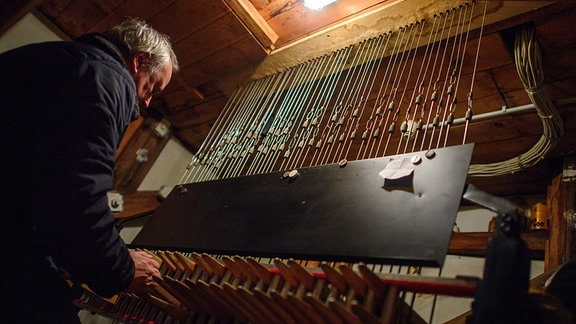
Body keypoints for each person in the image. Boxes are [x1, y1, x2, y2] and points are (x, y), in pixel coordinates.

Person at [0, 17, 179, 322]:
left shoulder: (58, 59)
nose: (147, 101)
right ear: (139, 61)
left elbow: (40, 180)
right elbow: (75, 196)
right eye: (153, 88)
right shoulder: (108, 77)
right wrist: (122, 269)